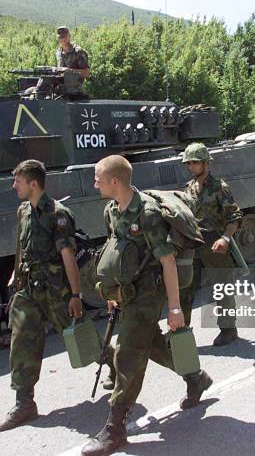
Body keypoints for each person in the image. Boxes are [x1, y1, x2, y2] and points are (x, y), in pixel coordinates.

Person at [82, 155, 212, 455]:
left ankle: (115, 429)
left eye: (98, 177)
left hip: (148, 294)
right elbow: (116, 250)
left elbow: (167, 261)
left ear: (115, 181)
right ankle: (196, 377)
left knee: (128, 354)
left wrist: (175, 309)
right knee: (152, 345)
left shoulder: (148, 214)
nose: (95, 182)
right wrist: (113, 290)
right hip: (127, 292)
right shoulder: (111, 210)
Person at [0, 160, 114, 432]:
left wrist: (75, 294)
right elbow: (21, 246)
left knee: (81, 336)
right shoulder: (23, 211)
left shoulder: (58, 214)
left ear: (33, 184)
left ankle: (116, 365)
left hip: (56, 291)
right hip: (28, 290)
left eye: (18, 181)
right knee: (22, 341)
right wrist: (16, 273)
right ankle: (24, 403)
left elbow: (68, 256)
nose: (14, 186)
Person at [180, 142, 243, 345]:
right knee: (185, 287)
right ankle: (181, 331)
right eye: (188, 163)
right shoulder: (188, 188)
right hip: (194, 244)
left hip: (215, 243)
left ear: (206, 163)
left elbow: (235, 217)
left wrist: (225, 238)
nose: (190, 167)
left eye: (194, 163)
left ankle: (228, 329)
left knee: (222, 287)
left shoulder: (219, 188)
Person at [55, 26, 90, 92]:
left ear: (69, 36)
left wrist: (69, 71)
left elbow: (86, 73)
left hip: (75, 92)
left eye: (64, 37)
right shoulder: (58, 52)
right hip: (59, 91)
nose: (62, 39)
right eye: (60, 37)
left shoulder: (78, 52)